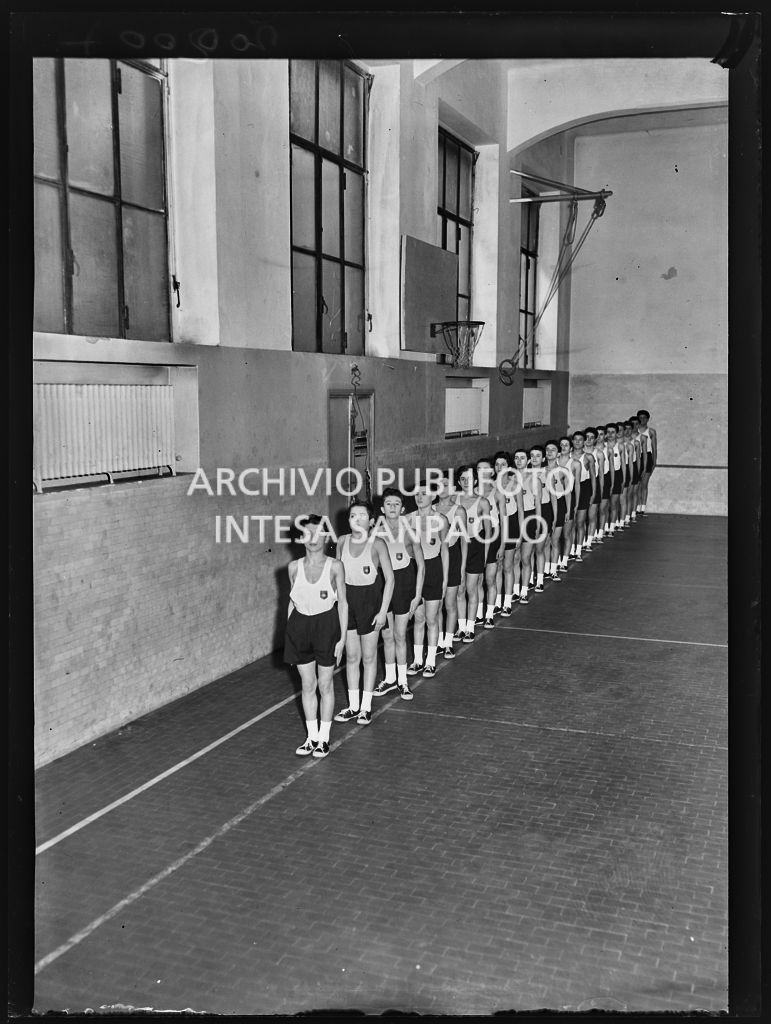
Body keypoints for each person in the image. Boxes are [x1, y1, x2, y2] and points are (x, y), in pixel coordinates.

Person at [285, 514, 348, 759]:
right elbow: (292, 602)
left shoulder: (335, 566)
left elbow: (343, 604)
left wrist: (342, 639)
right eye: (307, 534)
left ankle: (324, 738)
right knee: (307, 685)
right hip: (300, 627)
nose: (312, 539)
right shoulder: (293, 567)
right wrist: (290, 634)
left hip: (326, 626)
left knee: (325, 684)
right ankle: (311, 737)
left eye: (318, 533)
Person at [333, 500, 395, 727]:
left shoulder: (377, 544)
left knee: (369, 657)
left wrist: (383, 611)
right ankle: (353, 705)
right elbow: (336, 577)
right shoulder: (342, 541)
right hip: (348, 602)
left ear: (371, 521)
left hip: (370, 602)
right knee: (351, 657)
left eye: (361, 516)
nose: (356, 519)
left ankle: (366, 707)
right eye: (352, 515)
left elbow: (390, 579)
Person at [373, 489, 424, 701]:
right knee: (386, 635)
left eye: (396, 504)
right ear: (382, 508)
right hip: (383, 585)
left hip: (404, 583)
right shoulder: (375, 533)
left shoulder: (410, 531)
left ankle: (403, 681)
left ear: (402, 509)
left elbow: (421, 566)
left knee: (400, 635)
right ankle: (390, 678)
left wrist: (417, 595)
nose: (392, 507)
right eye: (388, 504)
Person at [405, 477, 449, 678]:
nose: (419, 497)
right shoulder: (407, 519)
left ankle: (430, 661)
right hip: (414, 569)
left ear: (433, 496)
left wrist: (445, 579)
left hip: (433, 568)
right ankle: (417, 660)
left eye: (424, 493)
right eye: (417, 493)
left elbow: (445, 550)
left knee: (432, 618)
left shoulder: (441, 520)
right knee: (418, 617)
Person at [454, 464, 491, 643]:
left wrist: (485, 556)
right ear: (458, 482)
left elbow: (488, 532)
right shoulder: (453, 500)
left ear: (475, 481)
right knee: (459, 589)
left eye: (469, 478)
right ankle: (461, 627)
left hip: (476, 546)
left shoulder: (482, 502)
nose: (466, 482)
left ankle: (470, 627)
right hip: (458, 545)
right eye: (463, 479)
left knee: (471, 588)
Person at [433, 471, 468, 659]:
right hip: (434, 558)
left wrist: (462, 568)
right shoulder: (430, 509)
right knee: (436, 604)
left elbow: (464, 541)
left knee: (449, 603)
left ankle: (448, 642)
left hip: (453, 556)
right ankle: (438, 641)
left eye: (446, 485)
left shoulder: (458, 510)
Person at [476, 456, 503, 629]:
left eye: (485, 469)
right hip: (476, 536)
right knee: (477, 579)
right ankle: (478, 614)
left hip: (493, 535)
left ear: (492, 472)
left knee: (490, 578)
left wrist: (502, 545)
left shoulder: (497, 492)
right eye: (479, 469)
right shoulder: (470, 492)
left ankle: (489, 615)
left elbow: (502, 521)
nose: (482, 472)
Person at [529, 444, 556, 592]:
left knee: (539, 547)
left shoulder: (548, 474)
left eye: (538, 456)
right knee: (528, 549)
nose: (534, 458)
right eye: (532, 456)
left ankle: (539, 580)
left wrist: (555, 517)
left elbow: (553, 497)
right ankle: (529, 579)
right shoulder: (523, 475)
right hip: (529, 511)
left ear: (543, 458)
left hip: (545, 510)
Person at [544, 440, 572, 578]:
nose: (550, 452)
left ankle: (554, 570)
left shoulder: (563, 471)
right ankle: (545, 569)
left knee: (555, 539)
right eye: (547, 450)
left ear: (558, 453)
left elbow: (567, 493)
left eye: (553, 450)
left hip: (560, 505)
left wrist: (568, 511)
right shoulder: (540, 470)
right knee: (545, 541)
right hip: (544, 505)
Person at [570, 429, 595, 561]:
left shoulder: (588, 457)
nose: (578, 442)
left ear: (584, 441)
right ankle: (570, 550)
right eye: (575, 439)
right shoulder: (566, 456)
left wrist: (593, 494)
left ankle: (578, 550)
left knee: (580, 522)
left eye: (580, 440)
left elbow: (593, 477)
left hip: (584, 489)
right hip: (569, 490)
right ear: (572, 441)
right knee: (571, 523)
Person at [637, 408, 657, 514]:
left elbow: (654, 448)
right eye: (640, 418)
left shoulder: (651, 432)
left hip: (647, 457)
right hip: (636, 457)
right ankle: (636, 506)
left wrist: (654, 462)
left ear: (648, 419)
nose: (642, 420)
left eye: (644, 418)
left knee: (644, 484)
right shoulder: (634, 432)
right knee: (636, 484)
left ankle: (643, 507)